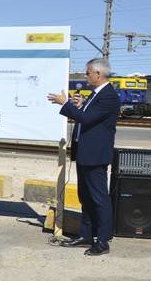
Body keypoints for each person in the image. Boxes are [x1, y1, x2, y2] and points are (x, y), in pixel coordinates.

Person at [47, 58, 120, 256]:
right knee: (85, 198)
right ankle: (85, 235)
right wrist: (81, 105)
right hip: (85, 154)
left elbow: (87, 119)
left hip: (96, 157)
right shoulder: (96, 95)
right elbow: (89, 116)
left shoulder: (108, 96)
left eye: (88, 73)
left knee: (99, 199)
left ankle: (103, 241)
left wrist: (65, 104)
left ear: (98, 74)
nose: (86, 76)